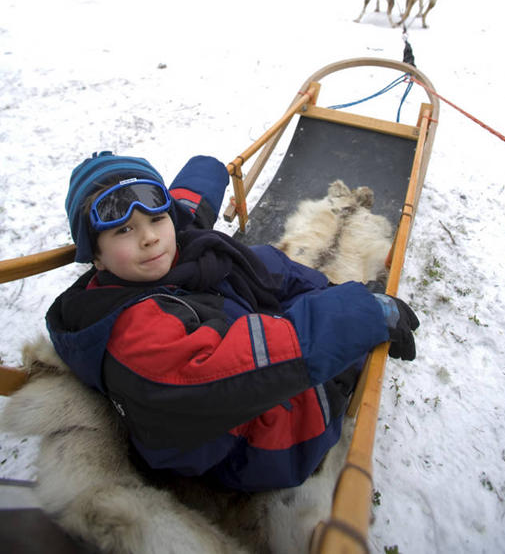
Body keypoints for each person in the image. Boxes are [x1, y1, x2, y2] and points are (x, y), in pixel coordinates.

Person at [46, 151, 419, 493]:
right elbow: (244, 362)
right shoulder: (137, 336)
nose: (149, 238)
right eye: (123, 230)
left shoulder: (163, 257)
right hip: (264, 443)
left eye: (157, 218)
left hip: (240, 362)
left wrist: (207, 167)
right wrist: (362, 313)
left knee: (248, 259)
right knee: (337, 343)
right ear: (95, 257)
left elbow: (190, 211)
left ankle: (332, 298)